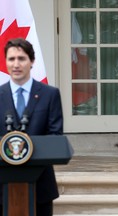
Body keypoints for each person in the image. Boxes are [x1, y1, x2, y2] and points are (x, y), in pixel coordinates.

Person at [0, 38, 63, 215]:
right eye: (11, 59)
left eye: (22, 58)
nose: (16, 64)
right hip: (2, 186)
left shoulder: (50, 95)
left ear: (32, 61)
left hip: (40, 185)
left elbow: (55, 136)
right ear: (5, 62)